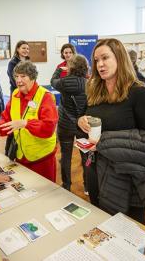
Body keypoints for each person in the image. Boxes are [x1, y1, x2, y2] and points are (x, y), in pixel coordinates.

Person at [78, 38, 145, 225]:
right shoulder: (94, 90)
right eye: (96, 60)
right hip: (95, 170)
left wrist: (103, 143)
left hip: (127, 175)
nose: (100, 64)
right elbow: (83, 119)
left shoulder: (137, 92)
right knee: (102, 224)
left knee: (130, 231)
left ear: (119, 58)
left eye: (105, 58)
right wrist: (81, 121)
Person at [0, 61, 58, 182]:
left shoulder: (45, 96)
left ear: (32, 78)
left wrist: (25, 123)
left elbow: (48, 127)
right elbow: (7, 117)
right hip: (21, 155)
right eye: (16, 76)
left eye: (23, 76)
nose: (19, 80)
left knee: (44, 194)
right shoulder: (15, 94)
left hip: (42, 158)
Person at [51, 54, 88, 193]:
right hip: (82, 126)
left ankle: (66, 185)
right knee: (85, 156)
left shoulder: (64, 82)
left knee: (65, 156)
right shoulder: (88, 84)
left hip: (65, 125)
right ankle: (87, 186)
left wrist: (60, 70)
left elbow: (52, 80)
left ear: (70, 67)